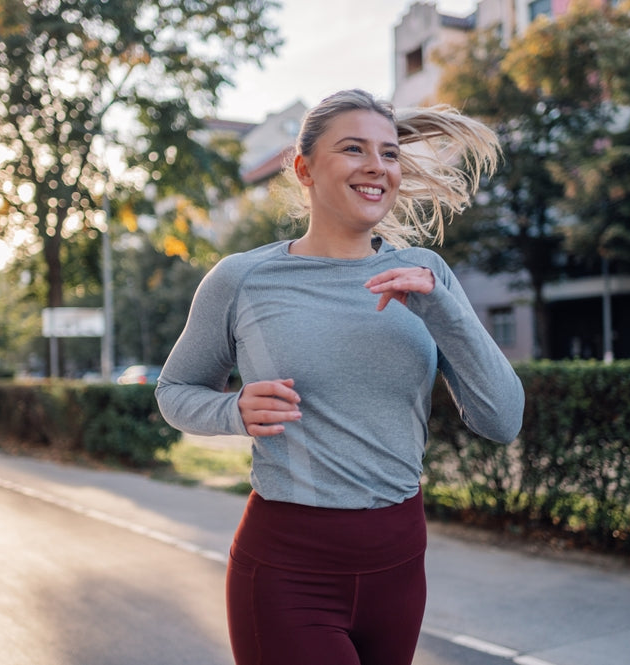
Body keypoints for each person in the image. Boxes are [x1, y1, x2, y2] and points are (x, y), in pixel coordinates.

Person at [156, 89, 525, 665]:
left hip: (400, 563)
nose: (377, 165)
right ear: (304, 168)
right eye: (354, 149)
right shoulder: (243, 279)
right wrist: (233, 412)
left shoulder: (426, 273)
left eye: (389, 152)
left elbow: (502, 420)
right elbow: (174, 390)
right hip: (288, 569)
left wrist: (445, 313)